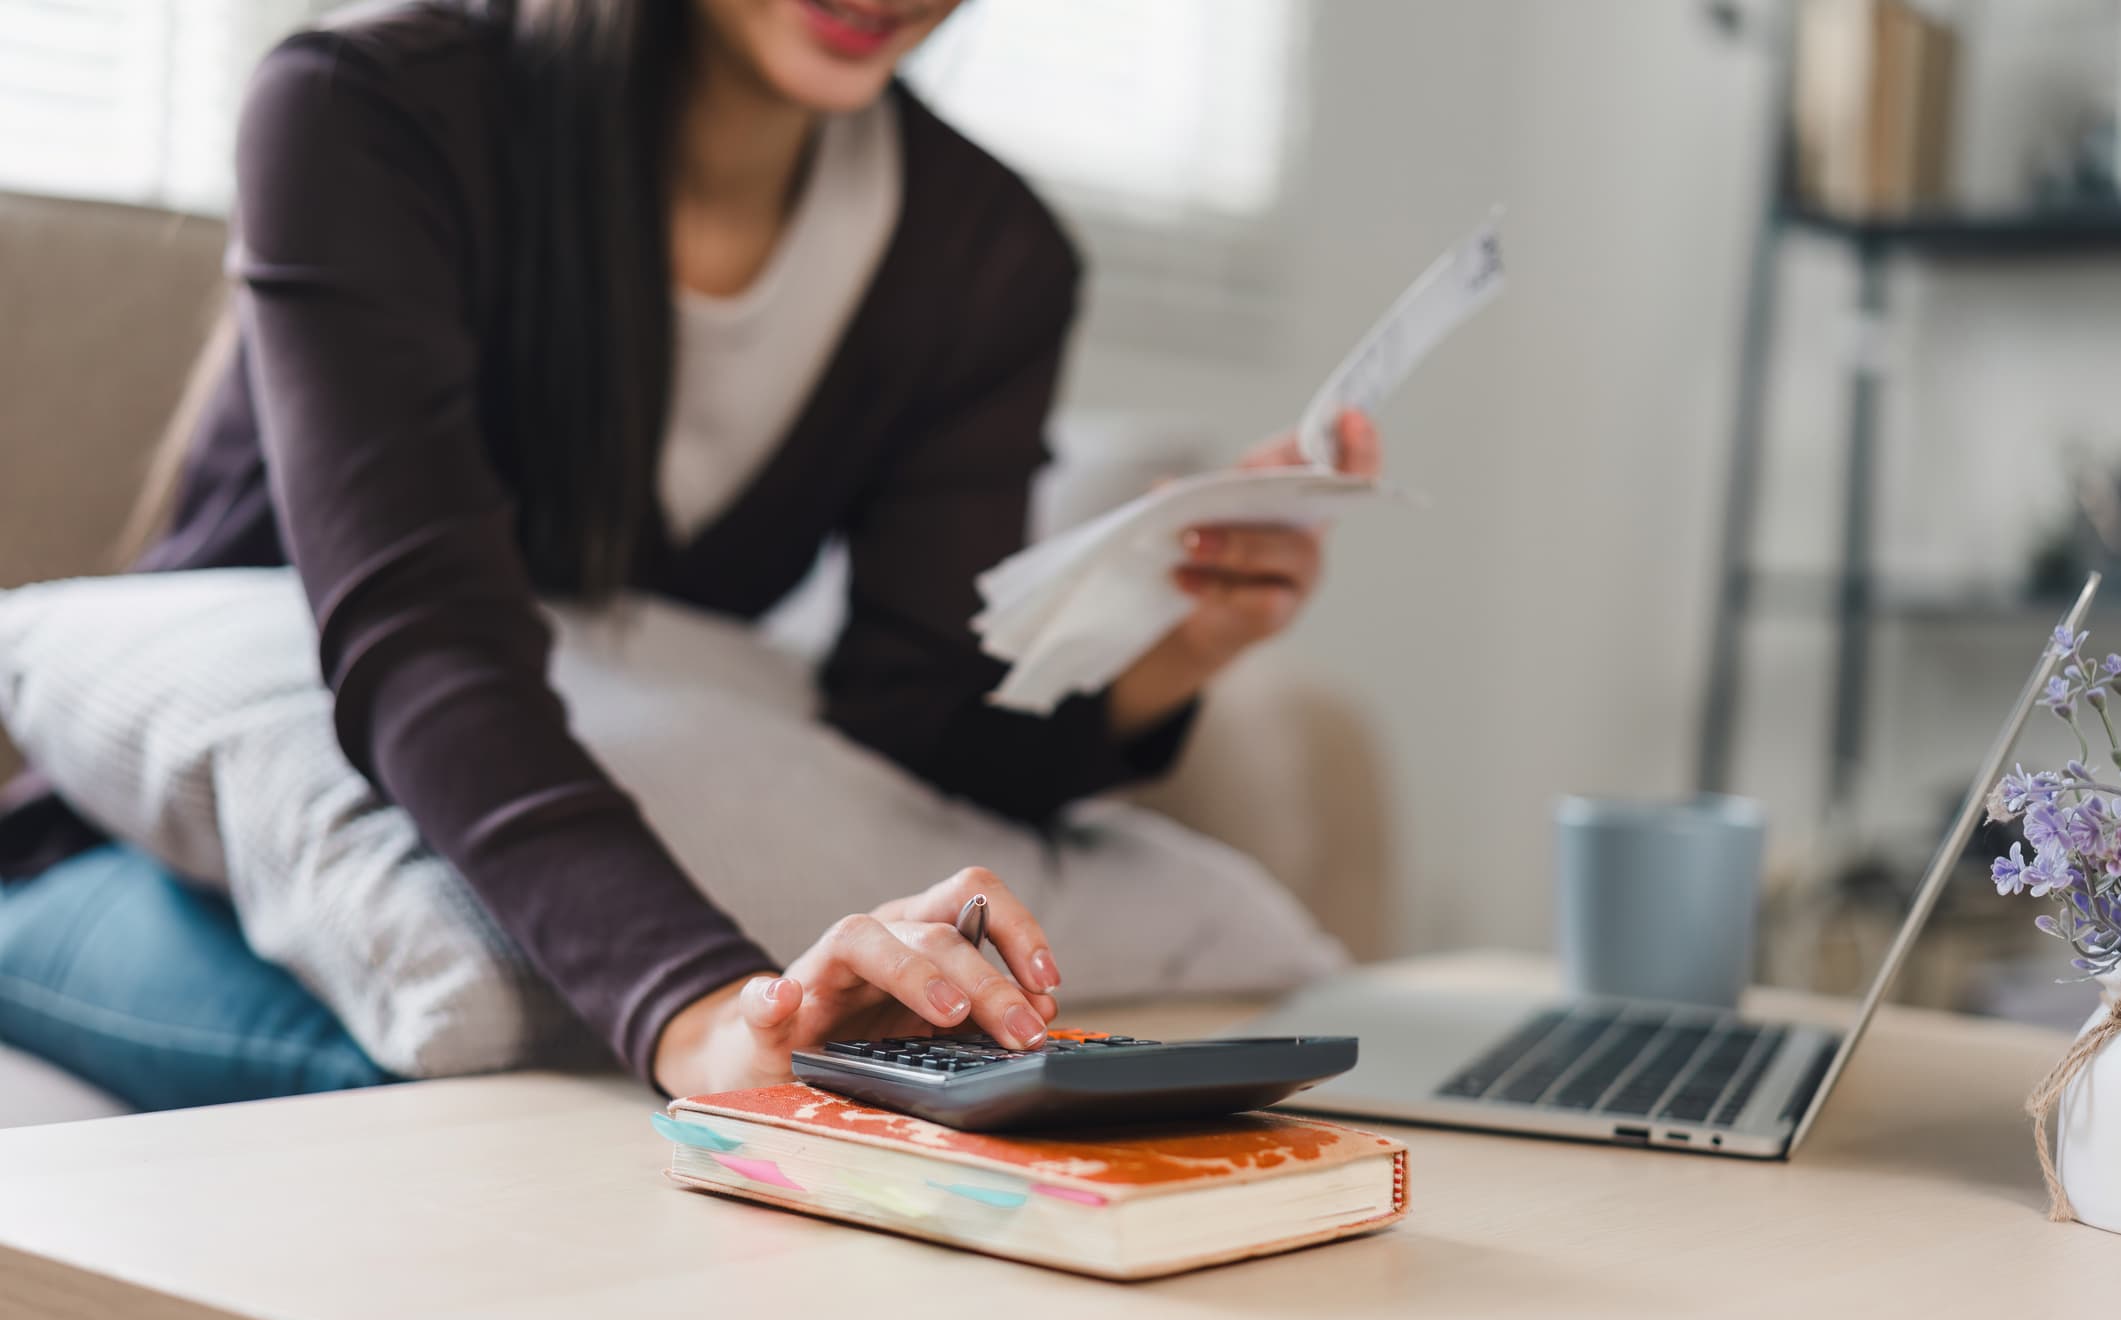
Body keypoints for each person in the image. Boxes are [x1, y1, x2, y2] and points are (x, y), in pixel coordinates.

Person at [0, 0, 1380, 1110]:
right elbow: (429, 648)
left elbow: (909, 723)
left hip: (506, 842)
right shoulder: (371, 112)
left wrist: (1173, 648)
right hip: (148, 843)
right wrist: (702, 1006)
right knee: (506, 1078)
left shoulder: (985, 250)